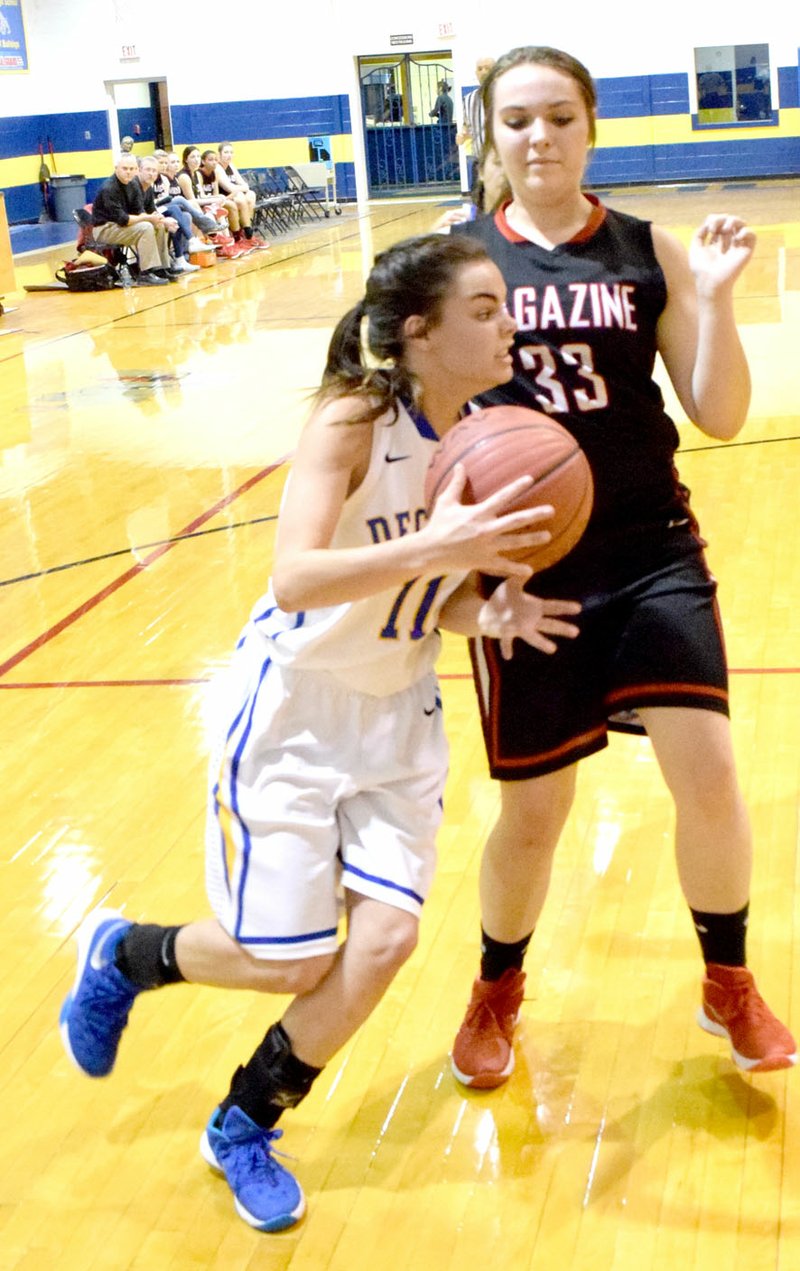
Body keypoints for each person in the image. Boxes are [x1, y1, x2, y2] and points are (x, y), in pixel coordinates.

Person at [58, 233, 581, 1233]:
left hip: (397, 718)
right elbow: (293, 576)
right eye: (483, 308)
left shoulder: (485, 436)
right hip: (295, 711)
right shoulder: (352, 419)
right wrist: (441, 544)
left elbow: (440, 596)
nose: (508, 320)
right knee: (288, 956)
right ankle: (125, 954)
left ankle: (245, 1118)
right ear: (417, 330)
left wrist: (488, 612)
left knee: (385, 937)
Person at [448, 45, 797, 1087]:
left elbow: (720, 412)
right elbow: (417, 432)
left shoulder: (649, 251)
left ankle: (725, 978)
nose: (538, 138)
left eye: (557, 117)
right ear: (492, 133)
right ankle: (495, 987)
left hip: (651, 552)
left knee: (709, 772)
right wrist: (462, 585)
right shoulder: (458, 264)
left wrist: (720, 297)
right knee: (533, 813)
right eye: (516, 120)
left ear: (589, 126)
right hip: (523, 576)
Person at [91, 153, 174, 286]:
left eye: (131, 169)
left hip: (121, 226)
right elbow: (123, 220)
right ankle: (145, 274)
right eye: (125, 168)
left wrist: (163, 221)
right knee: (146, 227)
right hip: (104, 229)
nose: (128, 172)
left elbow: (140, 211)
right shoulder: (109, 188)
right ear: (116, 168)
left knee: (158, 225)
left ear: (136, 170)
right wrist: (147, 218)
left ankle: (160, 268)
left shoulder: (133, 185)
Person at [178, 146, 249, 259]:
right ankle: (219, 245)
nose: (196, 159)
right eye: (193, 157)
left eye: (197, 156)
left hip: (198, 205)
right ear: (186, 159)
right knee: (211, 213)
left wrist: (218, 197)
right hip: (187, 208)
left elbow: (201, 195)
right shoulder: (184, 176)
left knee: (219, 212)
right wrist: (214, 200)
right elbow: (191, 200)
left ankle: (228, 245)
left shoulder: (195, 174)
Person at [137, 155, 199, 274]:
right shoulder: (136, 185)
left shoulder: (154, 184)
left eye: (154, 170)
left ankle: (180, 258)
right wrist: (163, 220)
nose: (151, 173)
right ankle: (192, 240)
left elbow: (151, 209)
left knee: (184, 216)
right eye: (148, 170)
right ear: (140, 170)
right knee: (177, 204)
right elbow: (138, 212)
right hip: (135, 219)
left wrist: (163, 219)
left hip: (153, 212)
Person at [216, 143, 270, 250]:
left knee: (251, 195)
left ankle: (246, 231)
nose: (229, 155)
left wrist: (240, 188)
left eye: (231, 152)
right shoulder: (218, 168)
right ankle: (242, 235)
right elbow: (229, 188)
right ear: (219, 154)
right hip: (224, 197)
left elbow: (246, 185)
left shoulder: (231, 166)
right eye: (226, 152)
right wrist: (240, 189)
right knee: (240, 197)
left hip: (234, 195)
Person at [456, 56, 496, 194]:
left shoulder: (507, 95)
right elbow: (467, 125)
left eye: (488, 68)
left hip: (502, 162)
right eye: (480, 69)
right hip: (479, 160)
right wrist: (462, 134)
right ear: (475, 73)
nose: (484, 72)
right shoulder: (468, 99)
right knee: (480, 205)